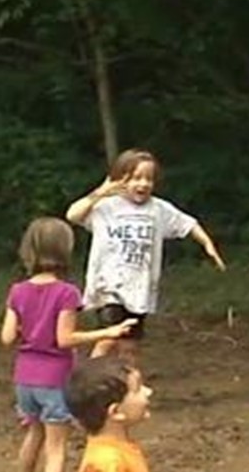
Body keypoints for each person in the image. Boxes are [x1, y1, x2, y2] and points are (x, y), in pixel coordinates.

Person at [0, 216, 136, 472]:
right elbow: (64, 339)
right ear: (65, 251)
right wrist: (108, 331)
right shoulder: (67, 293)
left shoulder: (17, 291)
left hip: (24, 377)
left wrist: (29, 330)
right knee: (56, 447)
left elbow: (7, 338)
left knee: (33, 433)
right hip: (53, 378)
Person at [65, 148, 226, 368]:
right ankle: (87, 382)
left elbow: (188, 224)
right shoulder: (105, 207)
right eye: (136, 178)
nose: (143, 184)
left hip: (139, 289)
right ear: (120, 179)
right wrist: (102, 191)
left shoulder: (159, 209)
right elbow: (72, 214)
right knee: (109, 337)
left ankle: (132, 384)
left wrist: (208, 244)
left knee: (130, 345)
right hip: (108, 286)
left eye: (149, 179)